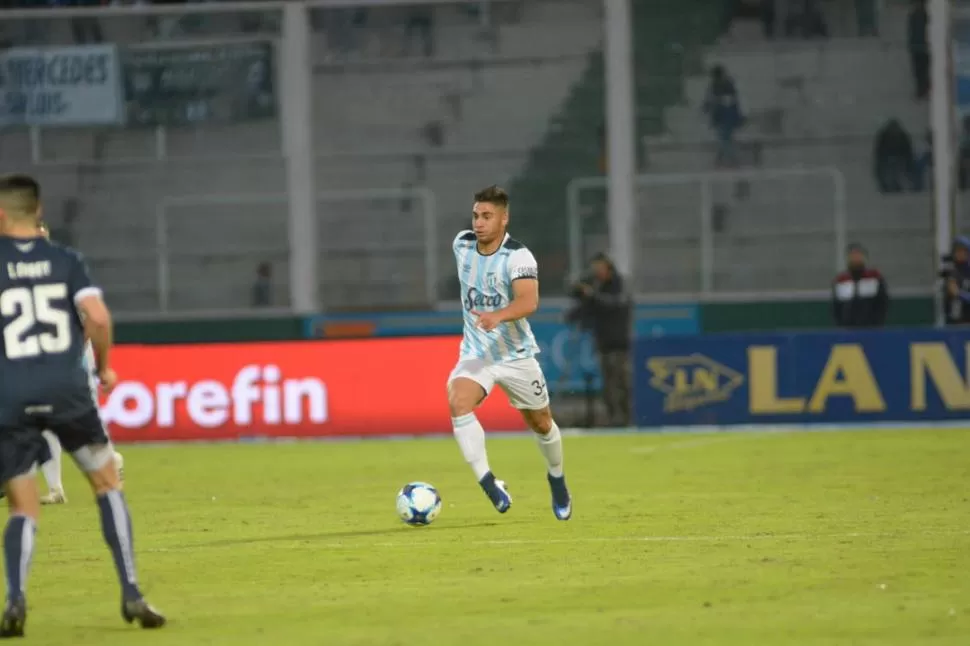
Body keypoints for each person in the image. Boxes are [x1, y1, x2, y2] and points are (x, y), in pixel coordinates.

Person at [0, 174, 164, 636]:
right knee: (107, 484)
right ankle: (131, 591)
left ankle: (15, 600)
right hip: (67, 390)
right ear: (38, 211)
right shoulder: (65, 261)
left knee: (22, 506)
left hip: (12, 394)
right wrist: (105, 367)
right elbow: (97, 317)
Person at [447, 185, 571, 521]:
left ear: (504, 218)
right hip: (477, 354)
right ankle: (490, 484)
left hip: (516, 355)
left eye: (487, 216)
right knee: (458, 402)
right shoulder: (462, 245)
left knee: (542, 423)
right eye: (476, 215)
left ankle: (557, 479)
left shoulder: (519, 256)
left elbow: (529, 302)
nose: (479, 222)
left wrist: (497, 316)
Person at [35, 221, 124, 506]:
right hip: (45, 356)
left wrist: (77, 350)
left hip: (72, 354)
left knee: (83, 414)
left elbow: (89, 317)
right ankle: (56, 488)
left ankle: (110, 459)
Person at [575, 253, 633, 427]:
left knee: (621, 383)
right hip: (603, 343)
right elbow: (588, 307)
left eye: (600, 268)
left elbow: (614, 304)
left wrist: (592, 295)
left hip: (619, 343)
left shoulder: (618, 285)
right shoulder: (597, 285)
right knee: (608, 385)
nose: (597, 272)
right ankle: (614, 418)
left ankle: (626, 418)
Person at [831, 243, 889, 328]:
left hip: (871, 328)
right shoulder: (841, 280)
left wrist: (878, 323)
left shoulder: (874, 278)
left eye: (858, 255)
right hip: (847, 329)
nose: (855, 258)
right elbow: (836, 307)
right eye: (853, 256)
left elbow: (883, 303)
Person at [941, 236, 970, 325]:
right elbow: (953, 289)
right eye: (957, 251)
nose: (960, 254)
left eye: (963, 251)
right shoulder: (951, 269)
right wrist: (964, 296)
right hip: (955, 319)